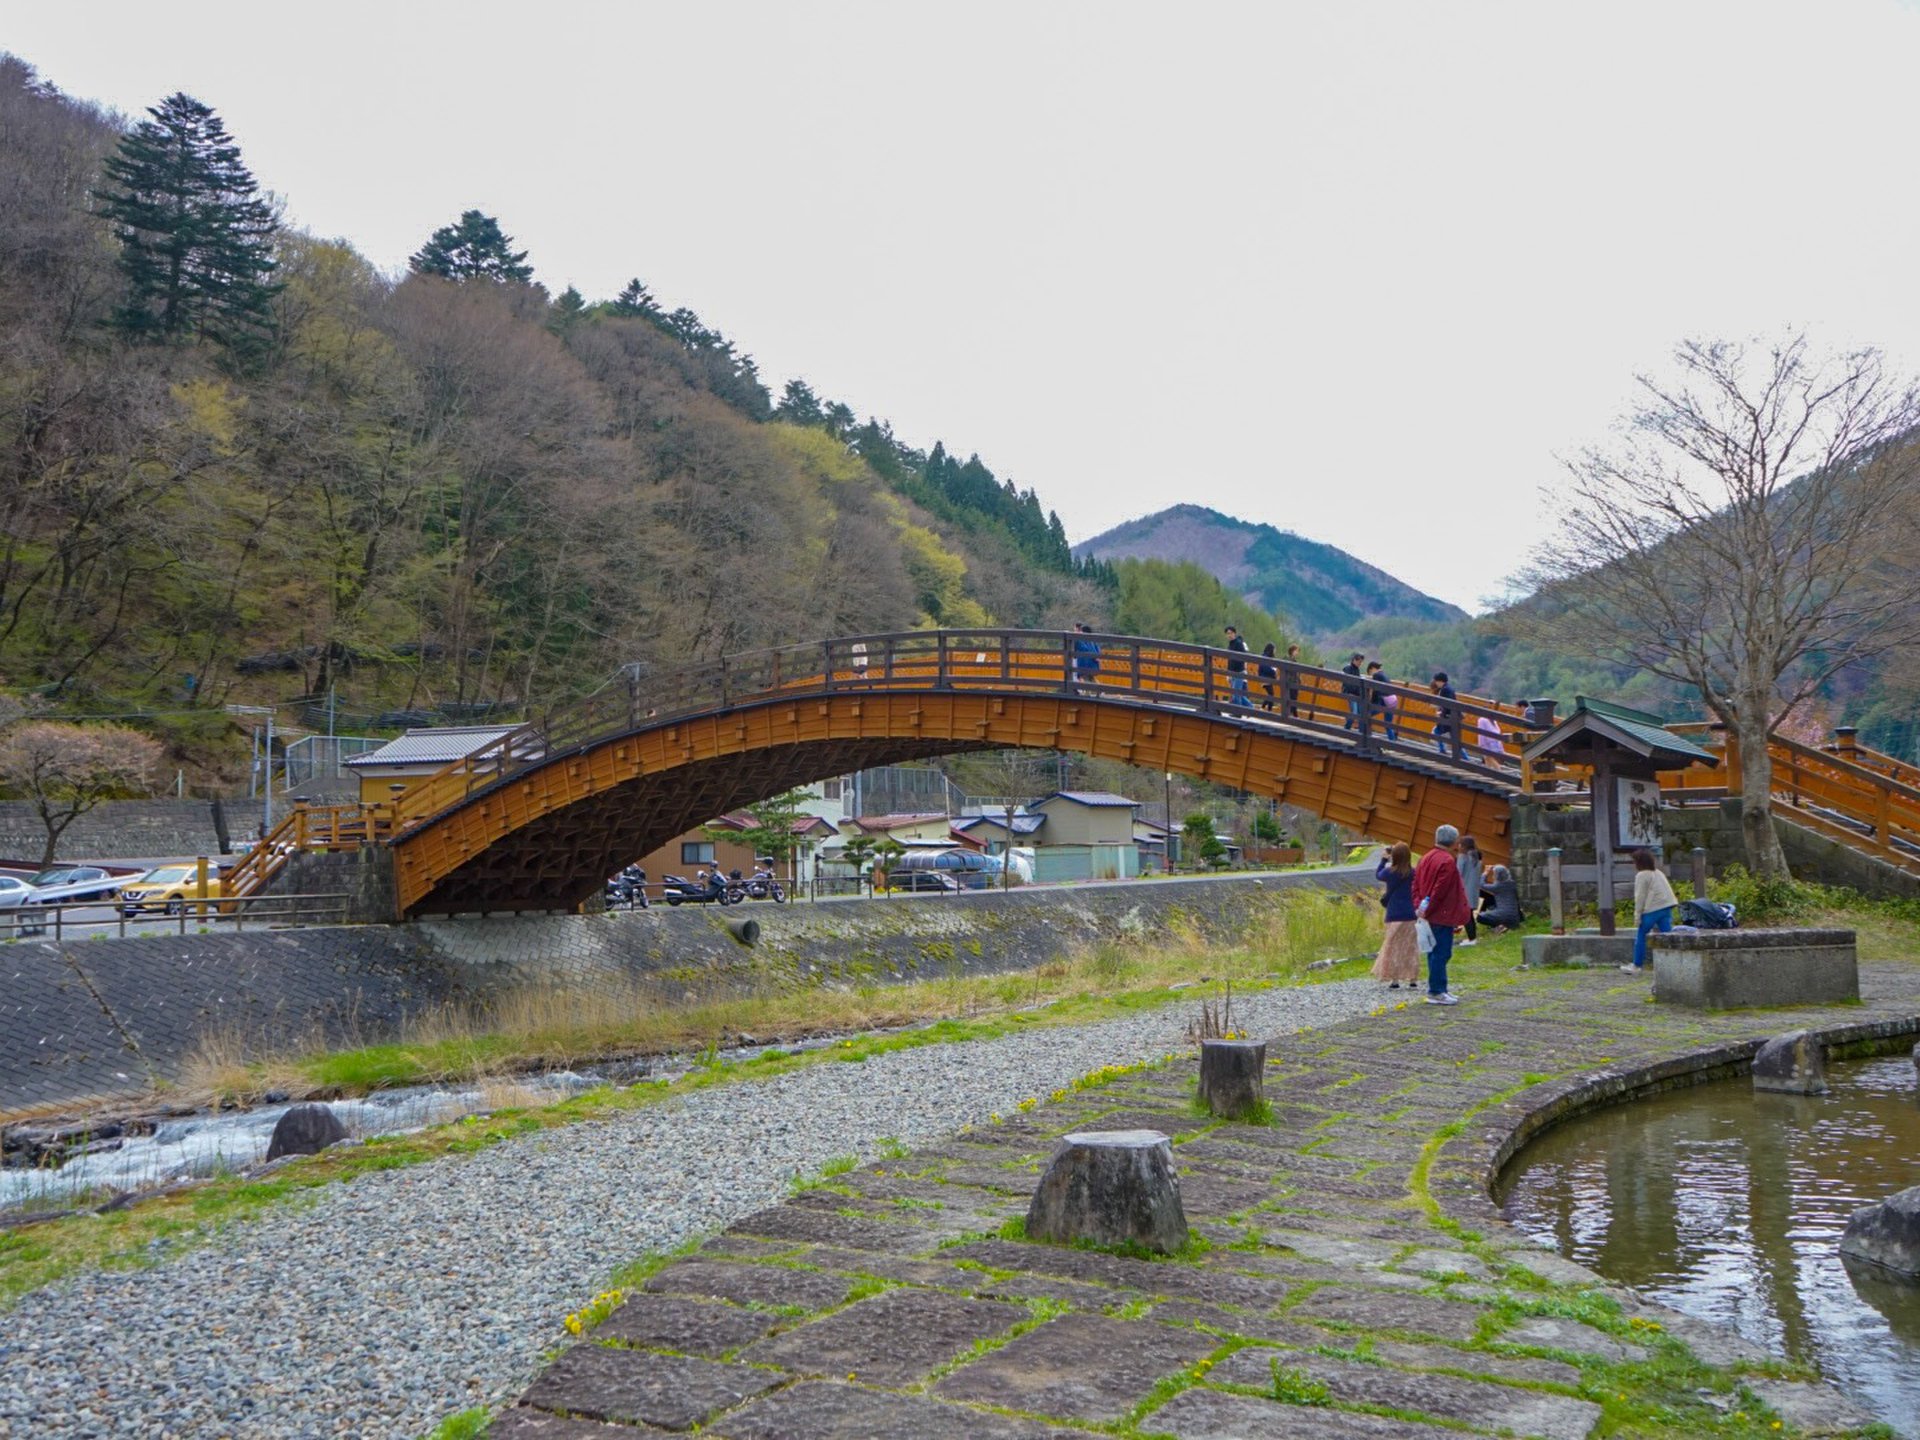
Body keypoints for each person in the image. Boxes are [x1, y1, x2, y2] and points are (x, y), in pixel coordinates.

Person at [1412, 824, 1471, 1005]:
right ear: (1454, 842)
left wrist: (1418, 906)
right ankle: (1436, 990)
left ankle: (1440, 989)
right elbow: (1440, 890)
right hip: (1441, 913)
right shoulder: (1447, 861)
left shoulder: (1425, 858)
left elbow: (1415, 884)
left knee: (1434, 951)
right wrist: (1429, 908)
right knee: (1442, 952)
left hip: (1427, 911)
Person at [1371, 842, 1419, 988]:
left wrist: (1384, 859)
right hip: (1411, 914)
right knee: (1411, 946)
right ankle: (1412, 979)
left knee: (1393, 946)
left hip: (1394, 914)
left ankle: (1395, 979)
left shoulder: (1389, 872)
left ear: (1395, 856)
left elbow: (1378, 874)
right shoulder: (1414, 872)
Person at [1623, 849, 1679, 974]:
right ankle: (1675, 964)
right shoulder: (1658, 872)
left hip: (1653, 909)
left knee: (1641, 935)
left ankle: (1637, 965)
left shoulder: (1642, 875)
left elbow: (1640, 897)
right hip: (1667, 906)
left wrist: (1637, 916)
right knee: (1668, 936)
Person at [1477, 864, 1524, 932]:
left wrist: (1486, 872)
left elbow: (1481, 885)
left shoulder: (1497, 886)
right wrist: (1496, 867)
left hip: (1503, 915)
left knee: (1480, 917)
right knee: (1492, 907)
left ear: (1497, 876)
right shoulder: (1512, 884)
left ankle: (1499, 927)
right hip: (1514, 917)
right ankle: (1510, 925)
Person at [1455, 835, 1483, 945]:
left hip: (1464, 889)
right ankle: (1473, 938)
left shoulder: (1463, 857)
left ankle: (1472, 939)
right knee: (1469, 914)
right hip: (1473, 890)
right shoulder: (1477, 857)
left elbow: (1458, 873)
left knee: (1467, 916)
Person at [1365, 660, 1398, 741]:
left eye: (1370, 672)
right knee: (1388, 724)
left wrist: (1371, 703)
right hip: (1392, 700)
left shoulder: (1376, 675)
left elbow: (1376, 691)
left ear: (1372, 668)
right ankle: (1393, 742)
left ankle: (1366, 734)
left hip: (1385, 700)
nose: (1371, 674)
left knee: (1366, 715)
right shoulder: (1383, 675)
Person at [1430, 672, 1457, 754]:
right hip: (1452, 716)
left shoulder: (1445, 690)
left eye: (1436, 681)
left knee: (1437, 732)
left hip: (1448, 717)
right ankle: (1465, 758)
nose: (1435, 683)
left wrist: (1441, 714)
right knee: (1455, 740)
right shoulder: (1448, 688)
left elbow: (1447, 704)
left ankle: (1442, 750)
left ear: (1440, 681)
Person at [1224, 625, 1250, 706]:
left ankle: (1237, 713)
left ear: (1234, 633)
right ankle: (1250, 708)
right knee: (1236, 693)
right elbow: (1229, 660)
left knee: (1236, 693)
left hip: (1239, 671)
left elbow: (1244, 656)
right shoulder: (1230, 644)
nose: (1229, 635)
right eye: (1227, 633)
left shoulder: (1238, 643)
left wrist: (1240, 667)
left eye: (1231, 633)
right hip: (1232, 672)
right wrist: (1228, 673)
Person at [1072, 623, 1101, 690]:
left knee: (1080, 676)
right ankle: (1100, 691)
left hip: (1084, 662)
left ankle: (1086, 691)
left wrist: (1074, 655)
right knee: (1091, 677)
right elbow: (1097, 649)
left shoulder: (1081, 639)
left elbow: (1082, 648)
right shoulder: (1093, 640)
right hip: (1093, 663)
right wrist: (1097, 656)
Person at [1341, 652, 1366, 730]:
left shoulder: (1357, 669)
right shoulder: (1347, 668)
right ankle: (1347, 727)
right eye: (1359, 661)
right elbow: (1348, 683)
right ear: (1354, 660)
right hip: (1350, 693)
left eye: (1361, 662)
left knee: (1359, 712)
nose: (1360, 663)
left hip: (1356, 694)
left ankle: (1356, 729)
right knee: (1354, 712)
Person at [1257, 642, 1278, 711]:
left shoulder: (1266, 657)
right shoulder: (1265, 657)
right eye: (1274, 649)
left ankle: (1266, 709)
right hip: (1265, 678)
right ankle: (1266, 709)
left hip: (1267, 678)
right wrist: (1273, 671)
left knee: (1270, 694)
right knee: (1271, 695)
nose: (1275, 651)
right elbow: (1266, 668)